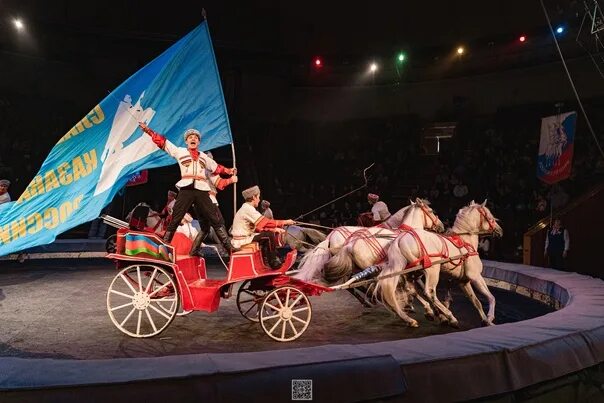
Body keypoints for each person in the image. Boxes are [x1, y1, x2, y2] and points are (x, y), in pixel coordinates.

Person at [139, 123, 238, 252]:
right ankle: (164, 247)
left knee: (214, 218)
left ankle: (228, 247)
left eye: (195, 137)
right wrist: (148, 131)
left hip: (201, 190)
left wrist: (229, 171)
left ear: (199, 141)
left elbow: (217, 167)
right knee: (176, 217)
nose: (193, 139)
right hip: (186, 189)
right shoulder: (180, 152)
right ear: (186, 141)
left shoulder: (204, 156)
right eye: (190, 137)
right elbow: (163, 142)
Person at [231, 185, 295, 268]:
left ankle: (267, 261)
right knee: (269, 236)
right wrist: (285, 222)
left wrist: (274, 229)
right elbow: (266, 222)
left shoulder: (248, 208)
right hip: (242, 240)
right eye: (258, 197)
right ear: (254, 197)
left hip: (247, 237)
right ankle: (273, 262)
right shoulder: (248, 209)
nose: (259, 199)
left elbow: (259, 227)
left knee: (267, 234)